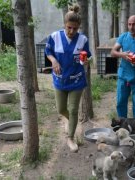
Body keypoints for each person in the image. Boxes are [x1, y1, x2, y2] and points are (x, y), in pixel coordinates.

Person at [45, 4, 91, 152]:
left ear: (78, 27)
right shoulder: (54, 36)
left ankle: (70, 138)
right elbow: (48, 51)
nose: (72, 31)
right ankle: (71, 121)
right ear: (65, 25)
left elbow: (87, 55)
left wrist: (87, 60)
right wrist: (53, 60)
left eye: (75, 28)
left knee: (73, 110)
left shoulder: (83, 39)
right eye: (69, 27)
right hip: (59, 80)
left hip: (77, 80)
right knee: (61, 109)